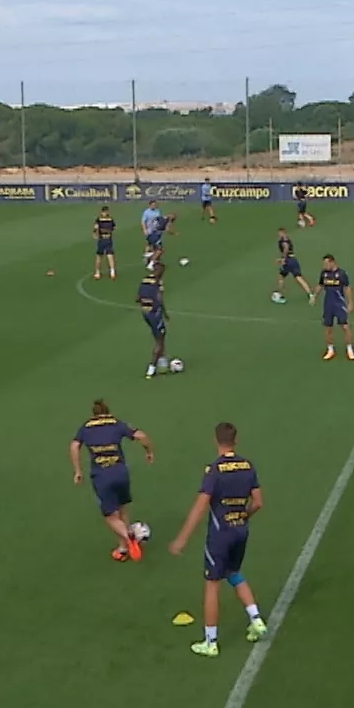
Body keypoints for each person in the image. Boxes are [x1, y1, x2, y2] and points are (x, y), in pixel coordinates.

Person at [168, 422, 268, 657]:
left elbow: (200, 507)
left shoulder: (214, 470)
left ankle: (210, 642)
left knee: (211, 584)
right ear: (236, 439)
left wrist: (181, 539)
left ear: (216, 441)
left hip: (221, 534)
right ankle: (256, 619)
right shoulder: (247, 466)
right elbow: (258, 502)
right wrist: (243, 516)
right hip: (241, 530)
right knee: (234, 573)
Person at [69, 400, 156, 561]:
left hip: (102, 477)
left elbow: (74, 446)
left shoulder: (86, 427)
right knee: (122, 508)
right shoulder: (116, 423)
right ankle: (123, 549)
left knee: (110, 516)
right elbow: (141, 435)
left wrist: (77, 471)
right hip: (121, 473)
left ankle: (129, 535)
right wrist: (149, 451)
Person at [318, 254, 354, 360]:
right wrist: (314, 295)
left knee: (345, 327)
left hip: (339, 304)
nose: (325, 266)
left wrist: (350, 302)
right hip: (328, 304)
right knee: (328, 328)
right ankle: (330, 349)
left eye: (326, 263)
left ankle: (349, 349)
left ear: (332, 262)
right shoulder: (324, 273)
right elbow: (320, 285)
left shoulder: (341, 274)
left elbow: (347, 288)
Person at [138, 259, 170, 378]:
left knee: (158, 336)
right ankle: (152, 368)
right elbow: (159, 299)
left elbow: (137, 297)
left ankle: (162, 362)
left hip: (145, 313)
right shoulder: (158, 283)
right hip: (154, 313)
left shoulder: (145, 280)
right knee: (160, 339)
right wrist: (165, 313)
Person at [272, 227, 313, 304]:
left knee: (281, 276)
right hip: (293, 260)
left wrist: (283, 259)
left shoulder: (283, 240)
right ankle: (310, 294)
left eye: (280, 233)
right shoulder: (287, 239)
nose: (279, 234)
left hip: (288, 261)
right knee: (298, 277)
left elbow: (286, 248)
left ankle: (279, 295)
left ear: (282, 232)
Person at [90, 206, 117, 280]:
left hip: (103, 239)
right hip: (107, 239)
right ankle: (111, 272)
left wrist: (95, 234)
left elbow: (95, 228)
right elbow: (114, 228)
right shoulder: (110, 219)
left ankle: (99, 272)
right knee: (106, 255)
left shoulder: (99, 219)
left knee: (103, 255)